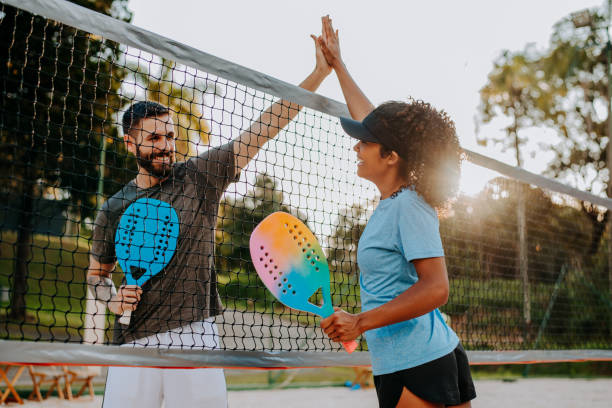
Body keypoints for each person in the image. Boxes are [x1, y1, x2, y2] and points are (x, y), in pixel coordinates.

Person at [86, 34, 332, 407]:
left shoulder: (199, 177)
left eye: (171, 134)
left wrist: (318, 74)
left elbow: (263, 129)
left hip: (195, 337)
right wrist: (113, 300)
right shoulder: (114, 208)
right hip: (133, 344)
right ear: (130, 145)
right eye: (154, 138)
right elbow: (97, 276)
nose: (167, 144)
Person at [318, 16, 476, 408]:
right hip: (418, 357)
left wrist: (360, 322)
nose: (356, 146)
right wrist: (339, 65)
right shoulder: (396, 199)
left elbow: (437, 288)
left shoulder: (408, 205)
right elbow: (374, 121)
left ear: (390, 156)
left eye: (364, 143)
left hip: (417, 363)